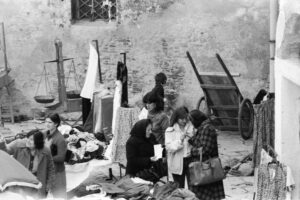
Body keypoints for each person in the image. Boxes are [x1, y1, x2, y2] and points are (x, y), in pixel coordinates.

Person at [0, 130, 55, 198]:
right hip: (21, 182)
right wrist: (2, 143)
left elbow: (51, 169)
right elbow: (5, 152)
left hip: (37, 184)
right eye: (28, 138)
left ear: (38, 142)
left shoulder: (45, 150)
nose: (28, 141)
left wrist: (48, 186)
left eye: (32, 140)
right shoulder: (18, 144)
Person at [187, 110, 225, 200]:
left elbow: (206, 149)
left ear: (196, 120)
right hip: (204, 166)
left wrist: (192, 152)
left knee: (203, 193)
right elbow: (200, 142)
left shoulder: (206, 128)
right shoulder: (203, 128)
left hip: (205, 167)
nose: (191, 124)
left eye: (191, 121)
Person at [165, 106, 194, 188]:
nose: (184, 121)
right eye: (182, 119)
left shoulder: (191, 128)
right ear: (176, 118)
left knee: (193, 187)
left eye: (186, 118)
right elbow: (169, 148)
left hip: (190, 160)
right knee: (179, 188)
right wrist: (180, 141)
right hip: (177, 161)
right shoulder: (170, 130)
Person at [45, 113, 67, 199]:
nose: (47, 124)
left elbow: (61, 157)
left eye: (50, 122)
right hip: (48, 170)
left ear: (56, 124)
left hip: (58, 172)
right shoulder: (46, 134)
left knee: (59, 196)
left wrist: (47, 158)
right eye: (46, 121)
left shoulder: (60, 139)